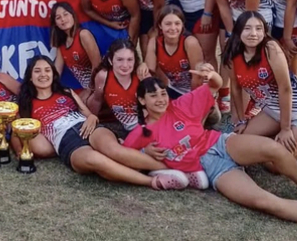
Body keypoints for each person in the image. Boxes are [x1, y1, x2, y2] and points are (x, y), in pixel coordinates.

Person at [123, 65, 297, 240]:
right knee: (265, 202)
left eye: (163, 93)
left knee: (273, 148)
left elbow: (216, 85)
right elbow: (123, 158)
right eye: (153, 96)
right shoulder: (141, 134)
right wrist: (146, 152)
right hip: (213, 169)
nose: (160, 99)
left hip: (221, 143)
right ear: (142, 101)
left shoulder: (180, 105)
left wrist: (212, 74)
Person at [17, 55, 187, 189]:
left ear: (53, 74)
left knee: (112, 150)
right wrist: (21, 152)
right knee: (97, 162)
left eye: (47, 70)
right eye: (37, 71)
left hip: (88, 127)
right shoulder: (26, 103)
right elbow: (21, 132)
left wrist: (91, 117)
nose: (43, 75)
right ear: (30, 77)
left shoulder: (66, 92)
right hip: (66, 142)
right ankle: (152, 181)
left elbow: (88, 114)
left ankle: (176, 169)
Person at [223, 11, 297, 161]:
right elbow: (235, 87)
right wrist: (241, 120)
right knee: (241, 141)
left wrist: (285, 128)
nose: (253, 33)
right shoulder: (232, 50)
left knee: (275, 163)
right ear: (238, 30)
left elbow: (285, 88)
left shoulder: (270, 48)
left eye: (259, 28)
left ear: (264, 31)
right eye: (247, 28)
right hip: (272, 111)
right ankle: (279, 137)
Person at [145, 5, 204, 99]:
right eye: (168, 24)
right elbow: (149, 72)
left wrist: (192, 101)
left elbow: (197, 77)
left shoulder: (190, 43)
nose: (173, 28)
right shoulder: (155, 42)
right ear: (160, 25)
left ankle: (212, 108)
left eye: (177, 23)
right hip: (174, 89)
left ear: (182, 25)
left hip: (195, 90)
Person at [88, 39, 142, 132]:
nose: (125, 65)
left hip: (143, 126)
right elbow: (97, 100)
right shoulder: (103, 76)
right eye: (120, 59)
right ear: (110, 60)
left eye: (129, 59)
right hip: (121, 126)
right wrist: (91, 121)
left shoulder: (141, 76)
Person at [50, 2, 101, 92]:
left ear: (73, 15)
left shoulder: (83, 34)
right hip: (85, 90)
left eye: (66, 14)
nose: (63, 19)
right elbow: (56, 72)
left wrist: (89, 90)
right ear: (55, 24)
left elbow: (97, 65)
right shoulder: (62, 45)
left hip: (98, 86)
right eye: (58, 18)